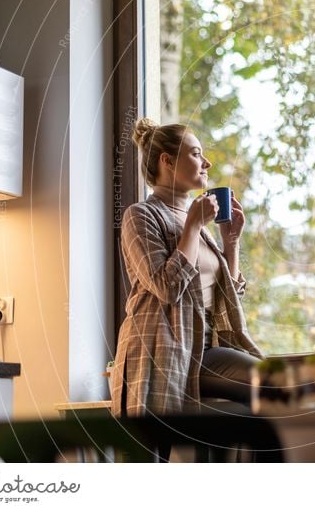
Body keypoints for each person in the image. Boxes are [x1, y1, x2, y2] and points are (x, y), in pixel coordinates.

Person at [110, 118, 263, 417]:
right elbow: (167, 288)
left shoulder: (200, 224)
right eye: (196, 153)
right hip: (161, 353)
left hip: (204, 348)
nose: (207, 162)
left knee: (271, 395)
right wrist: (192, 226)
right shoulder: (141, 216)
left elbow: (223, 299)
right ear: (167, 161)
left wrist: (230, 244)